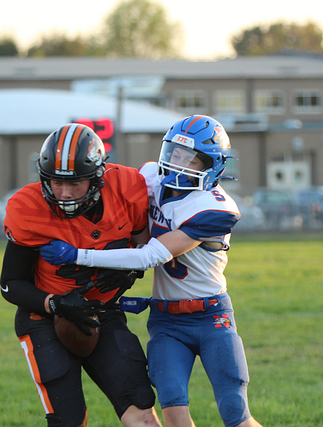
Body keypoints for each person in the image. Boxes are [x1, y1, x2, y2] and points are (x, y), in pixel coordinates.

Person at [40, 115, 263, 427]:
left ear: (213, 165)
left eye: (191, 159)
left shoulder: (216, 208)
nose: (178, 163)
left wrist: (79, 255)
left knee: (234, 412)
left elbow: (149, 256)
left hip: (211, 318)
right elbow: (110, 192)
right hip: (166, 320)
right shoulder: (150, 177)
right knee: (172, 406)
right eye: (174, 153)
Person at [0, 123, 162, 427]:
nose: (64, 193)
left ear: (98, 177)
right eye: (56, 182)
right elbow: (10, 284)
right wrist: (56, 303)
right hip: (45, 317)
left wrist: (131, 270)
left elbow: (144, 247)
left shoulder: (127, 188)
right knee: (68, 419)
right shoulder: (28, 207)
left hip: (102, 310)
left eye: (75, 183)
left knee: (141, 406)